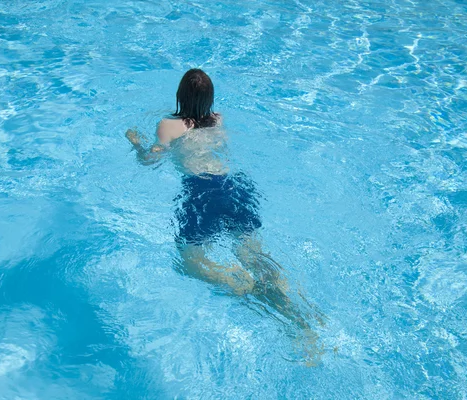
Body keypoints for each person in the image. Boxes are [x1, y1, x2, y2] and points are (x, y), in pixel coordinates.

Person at [125, 69, 325, 363]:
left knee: (189, 264)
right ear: (210, 99)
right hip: (235, 187)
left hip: (202, 192)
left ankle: (240, 284)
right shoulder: (218, 119)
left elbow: (149, 161)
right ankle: (304, 312)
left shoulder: (168, 126)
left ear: (180, 95)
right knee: (255, 255)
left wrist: (135, 142)